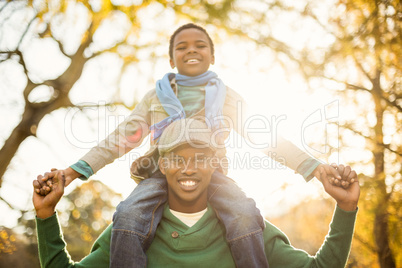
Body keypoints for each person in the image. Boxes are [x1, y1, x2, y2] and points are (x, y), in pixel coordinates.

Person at [35, 23, 353, 267]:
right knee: (129, 215)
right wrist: (73, 172)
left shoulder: (227, 98)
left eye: (201, 45)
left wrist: (313, 167)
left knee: (243, 214)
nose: (192, 50)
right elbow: (119, 139)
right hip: (161, 173)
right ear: (171, 57)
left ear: (212, 55)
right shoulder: (156, 98)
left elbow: (266, 138)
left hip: (213, 175)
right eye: (182, 46)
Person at [33, 118, 360, 268]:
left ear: (214, 165)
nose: (188, 168)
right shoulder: (130, 231)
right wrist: (46, 216)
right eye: (176, 157)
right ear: (162, 166)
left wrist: (345, 208)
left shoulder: (244, 228)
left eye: (200, 158)